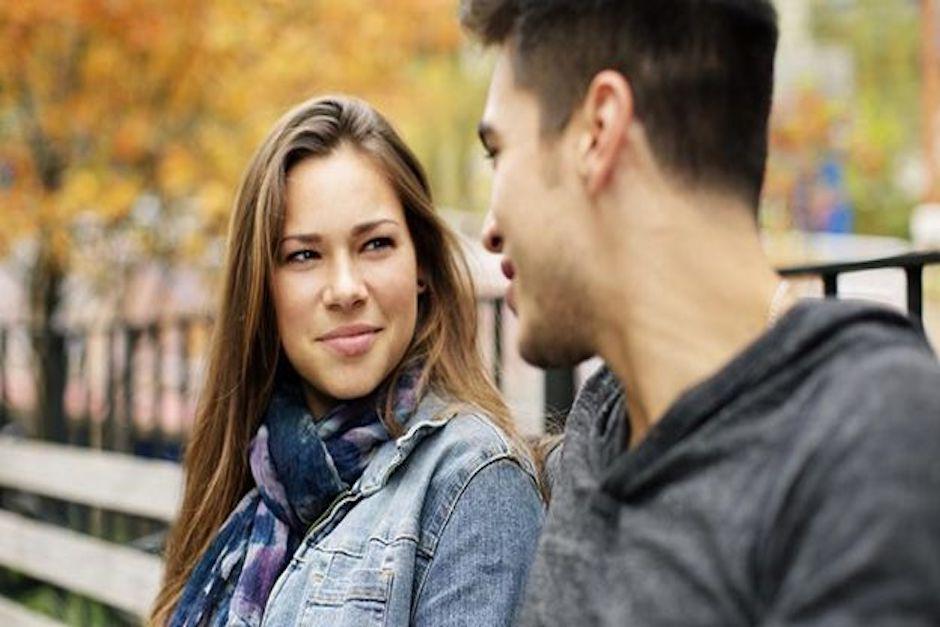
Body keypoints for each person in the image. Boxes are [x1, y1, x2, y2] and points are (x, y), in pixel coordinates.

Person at [461, 0, 940, 624]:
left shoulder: (869, 438)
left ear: (598, 130)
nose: (490, 230)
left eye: (499, 153)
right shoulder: (602, 424)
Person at [149, 95, 543, 626]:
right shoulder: (248, 479)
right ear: (262, 289)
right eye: (304, 256)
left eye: (375, 244)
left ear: (421, 264)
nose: (345, 289)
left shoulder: (473, 483)